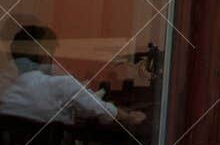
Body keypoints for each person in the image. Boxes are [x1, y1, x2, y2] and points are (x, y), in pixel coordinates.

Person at [0, 25, 143, 130]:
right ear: (43, 53)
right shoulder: (63, 85)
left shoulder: (7, 88)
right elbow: (103, 110)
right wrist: (129, 117)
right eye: (51, 50)